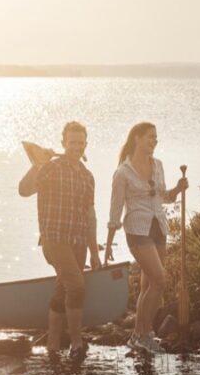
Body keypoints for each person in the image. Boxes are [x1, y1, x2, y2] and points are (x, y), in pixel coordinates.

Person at [19, 121, 101, 361]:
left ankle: (53, 345)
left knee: (62, 288)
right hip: (54, 240)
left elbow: (90, 216)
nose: (76, 146)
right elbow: (23, 190)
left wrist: (94, 252)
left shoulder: (88, 176)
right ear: (63, 143)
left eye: (80, 142)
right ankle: (77, 343)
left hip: (78, 242)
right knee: (76, 286)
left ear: (86, 145)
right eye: (71, 142)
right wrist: (37, 164)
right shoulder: (50, 168)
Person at [104, 122, 188, 355]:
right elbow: (115, 209)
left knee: (148, 285)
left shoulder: (158, 165)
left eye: (156, 138)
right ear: (137, 139)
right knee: (160, 280)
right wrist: (108, 245)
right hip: (137, 230)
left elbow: (164, 197)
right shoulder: (123, 172)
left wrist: (178, 190)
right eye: (150, 137)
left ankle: (140, 336)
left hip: (158, 227)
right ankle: (142, 334)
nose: (154, 142)